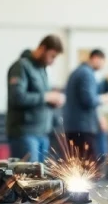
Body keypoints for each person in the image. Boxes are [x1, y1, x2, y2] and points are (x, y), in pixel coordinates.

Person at [6, 35, 65, 163]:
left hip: (42, 133)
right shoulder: (21, 67)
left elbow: (42, 97)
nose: (53, 62)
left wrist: (53, 101)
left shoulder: (42, 70)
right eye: (52, 56)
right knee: (28, 174)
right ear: (43, 49)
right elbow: (17, 97)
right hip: (25, 134)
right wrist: (46, 97)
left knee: (40, 174)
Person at [62, 49, 107, 160]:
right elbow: (89, 100)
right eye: (103, 62)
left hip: (72, 127)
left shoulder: (76, 71)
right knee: (87, 163)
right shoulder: (87, 73)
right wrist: (106, 98)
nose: (102, 66)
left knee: (76, 163)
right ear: (96, 58)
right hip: (83, 128)